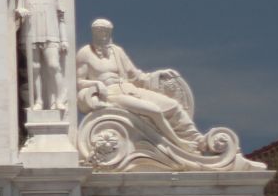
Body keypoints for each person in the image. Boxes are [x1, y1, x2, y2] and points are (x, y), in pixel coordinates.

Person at [76, 19, 204, 145]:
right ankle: (178, 143)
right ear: (93, 32)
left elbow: (136, 76)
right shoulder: (85, 53)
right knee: (154, 111)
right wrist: (96, 84)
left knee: (172, 105)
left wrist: (157, 75)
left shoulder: (117, 51)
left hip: (130, 89)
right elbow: (78, 81)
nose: (103, 34)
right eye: (99, 31)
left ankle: (196, 139)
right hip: (110, 95)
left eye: (106, 31)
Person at [14, 0, 67, 110]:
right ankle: (38, 101)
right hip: (30, 33)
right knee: (34, 68)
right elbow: (17, 10)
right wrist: (19, 12)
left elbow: (61, 17)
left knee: (53, 66)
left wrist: (64, 40)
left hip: (51, 34)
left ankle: (59, 99)